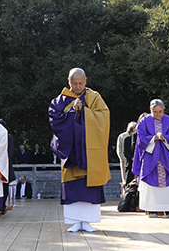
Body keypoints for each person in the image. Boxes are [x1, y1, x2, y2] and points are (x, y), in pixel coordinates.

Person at [49, 68, 110, 232]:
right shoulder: (60, 101)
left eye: (80, 83)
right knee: (73, 187)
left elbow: (104, 117)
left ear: (86, 81)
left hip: (89, 153)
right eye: (74, 83)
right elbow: (54, 120)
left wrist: (85, 111)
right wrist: (71, 112)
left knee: (89, 187)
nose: (77, 86)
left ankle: (88, 221)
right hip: (71, 152)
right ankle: (75, 221)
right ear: (68, 81)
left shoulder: (94, 97)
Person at [134, 99, 169, 218]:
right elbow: (140, 138)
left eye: (160, 111)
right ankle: (152, 209)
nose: (158, 114)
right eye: (155, 112)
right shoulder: (144, 121)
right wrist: (154, 137)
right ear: (150, 110)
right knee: (150, 180)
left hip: (166, 156)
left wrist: (163, 137)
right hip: (151, 155)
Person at [116, 122, 137, 186]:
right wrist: (128, 159)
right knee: (126, 181)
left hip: (135, 161)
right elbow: (120, 151)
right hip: (125, 161)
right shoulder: (122, 136)